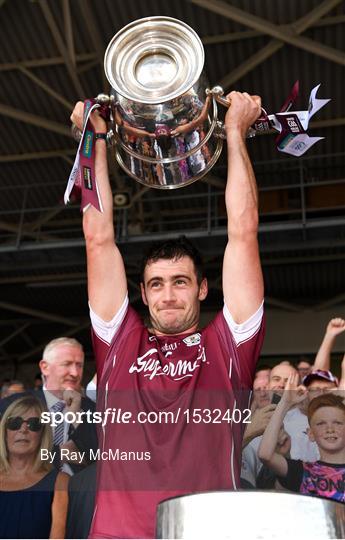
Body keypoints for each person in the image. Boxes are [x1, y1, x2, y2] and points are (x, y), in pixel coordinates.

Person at [70, 90, 265, 539]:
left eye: (180, 282)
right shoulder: (120, 342)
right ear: (142, 293)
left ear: (201, 287)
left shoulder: (229, 345)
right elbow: (98, 238)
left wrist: (234, 132)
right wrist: (94, 140)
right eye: (157, 285)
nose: (168, 295)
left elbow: (243, 232)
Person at [258, 374, 345, 503]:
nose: (329, 429)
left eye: (337, 423)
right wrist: (285, 403)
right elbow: (266, 455)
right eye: (321, 423)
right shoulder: (303, 471)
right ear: (310, 434)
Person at [0, 395, 69, 538]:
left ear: (43, 434)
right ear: (4, 432)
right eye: (14, 423)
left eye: (34, 424)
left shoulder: (60, 482)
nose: (23, 429)